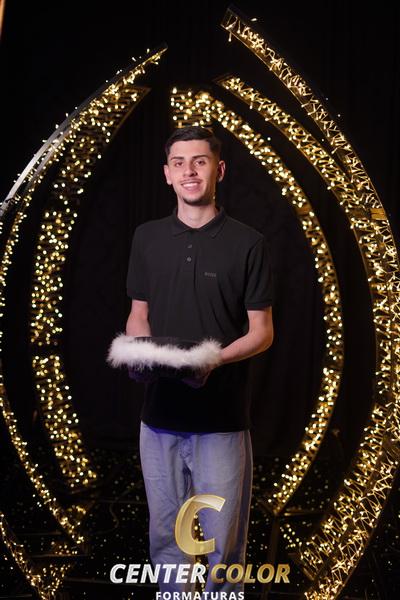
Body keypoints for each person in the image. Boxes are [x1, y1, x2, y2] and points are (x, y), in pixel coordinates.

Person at [125, 125, 274, 597]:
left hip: (221, 421)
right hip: (159, 420)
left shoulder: (248, 243)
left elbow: (262, 332)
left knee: (223, 545)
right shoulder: (147, 238)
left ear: (219, 170)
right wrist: (139, 352)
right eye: (179, 163)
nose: (189, 172)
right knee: (166, 537)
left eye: (200, 162)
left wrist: (211, 360)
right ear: (167, 174)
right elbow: (139, 314)